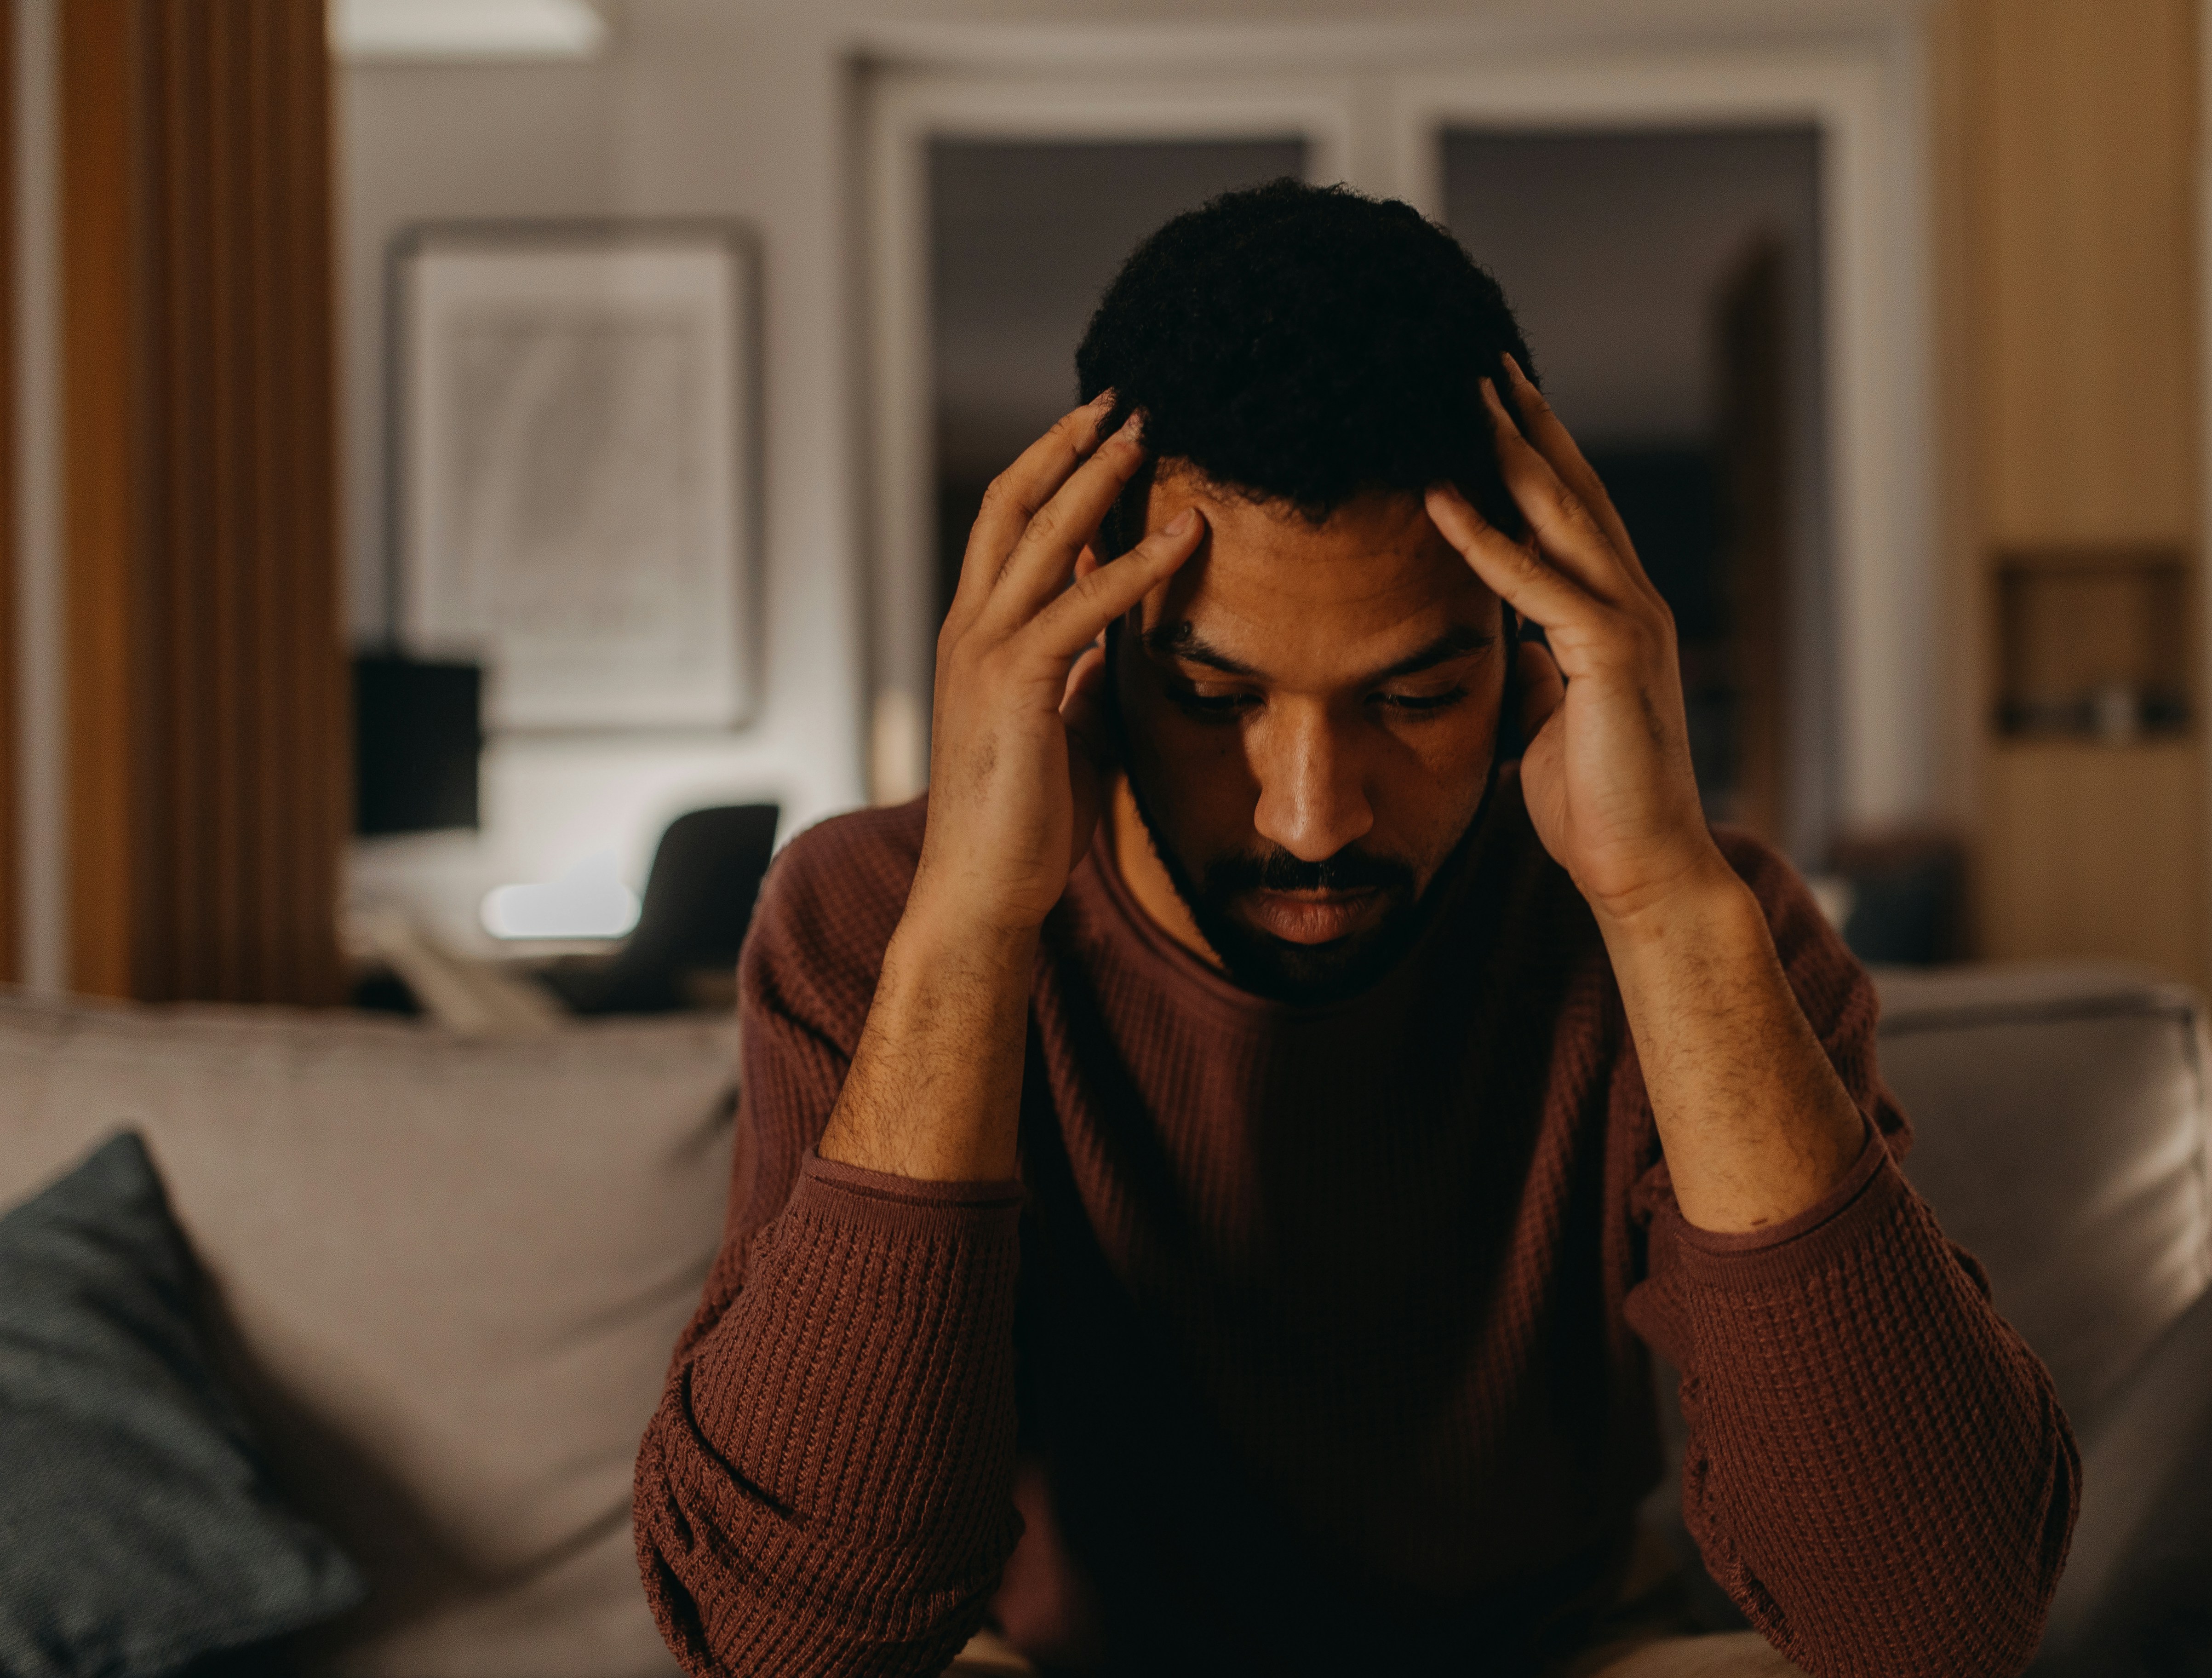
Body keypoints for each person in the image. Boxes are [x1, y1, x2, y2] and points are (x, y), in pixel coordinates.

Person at [632, 181, 2077, 1678]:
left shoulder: (1705, 930)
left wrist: (1667, 912)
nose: (1311, 817)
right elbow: (783, 1649)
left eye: (1415, 697)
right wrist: (972, 929)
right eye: (1213, 698)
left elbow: (1937, 1630)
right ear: (1084, 644)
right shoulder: (873, 918)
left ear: (1535, 654)